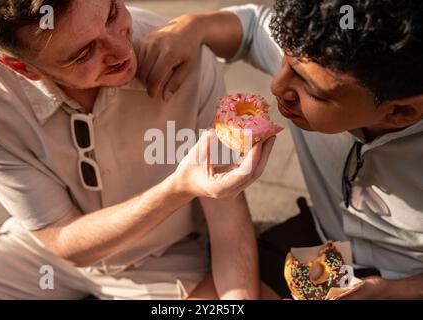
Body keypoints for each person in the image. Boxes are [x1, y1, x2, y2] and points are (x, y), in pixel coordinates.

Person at [0, 0, 278, 300]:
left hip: (165, 257)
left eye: (112, 14)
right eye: (83, 53)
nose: (122, 50)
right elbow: (63, 238)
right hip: (43, 254)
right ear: (22, 68)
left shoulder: (186, 58)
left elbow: (228, 222)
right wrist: (176, 189)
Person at [137, 1, 423, 299]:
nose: (277, 86)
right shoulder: (320, 45)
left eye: (312, 91)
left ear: (400, 112)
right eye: (283, 60)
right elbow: (250, 27)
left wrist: (395, 291)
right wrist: (191, 27)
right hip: (319, 239)